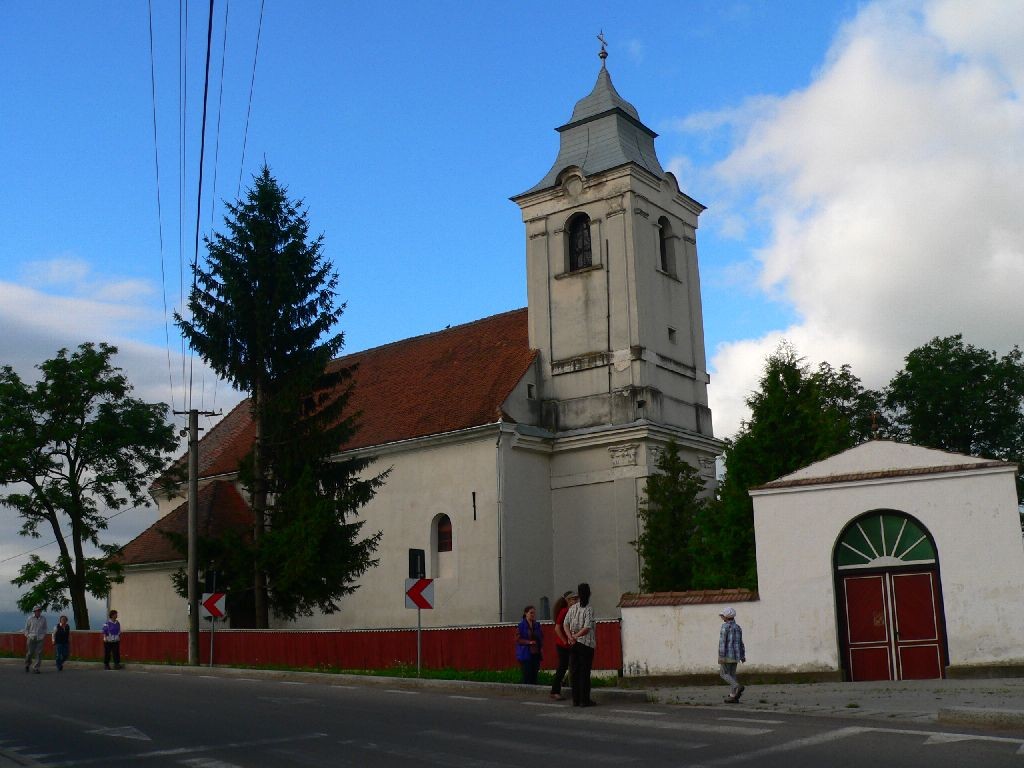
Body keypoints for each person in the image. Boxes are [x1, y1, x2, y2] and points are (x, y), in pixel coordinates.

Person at [564, 582, 596, 707]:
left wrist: (570, 637)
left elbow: (565, 624)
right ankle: (584, 700)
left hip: (573, 644)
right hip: (586, 644)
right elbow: (587, 627)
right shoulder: (589, 608)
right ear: (589, 594)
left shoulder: (573, 608)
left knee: (574, 671)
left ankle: (575, 699)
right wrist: (577, 636)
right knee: (584, 672)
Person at [549, 591, 576, 700]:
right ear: (568, 600)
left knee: (572, 666)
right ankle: (554, 691)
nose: (576, 601)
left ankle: (572, 687)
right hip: (563, 645)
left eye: (576, 599)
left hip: (570, 644)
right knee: (562, 667)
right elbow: (557, 628)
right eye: (574, 599)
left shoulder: (572, 611)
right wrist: (565, 641)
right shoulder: (564, 611)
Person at [718, 606, 746, 703]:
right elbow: (741, 643)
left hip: (726, 655)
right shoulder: (738, 627)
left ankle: (737, 686)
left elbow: (722, 643)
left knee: (723, 674)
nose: (721, 617)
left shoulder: (724, 627)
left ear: (726, 617)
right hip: (736, 656)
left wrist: (721, 656)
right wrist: (742, 656)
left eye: (722, 615)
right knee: (732, 675)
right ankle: (733, 696)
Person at [515, 605, 543, 684]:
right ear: (526, 613)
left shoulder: (537, 625)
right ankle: (526, 691)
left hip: (536, 652)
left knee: (535, 674)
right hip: (525, 653)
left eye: (534, 613)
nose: (533, 615)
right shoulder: (521, 626)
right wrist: (528, 642)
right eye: (531, 613)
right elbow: (518, 639)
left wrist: (540, 646)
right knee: (527, 674)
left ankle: (534, 691)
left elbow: (541, 637)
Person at [24, 606, 48, 674]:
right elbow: (26, 628)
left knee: (39, 653)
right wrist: (28, 635)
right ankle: (27, 664)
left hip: (40, 638)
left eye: (39, 610)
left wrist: (43, 635)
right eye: (37, 610)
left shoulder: (43, 618)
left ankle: (36, 668)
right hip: (31, 637)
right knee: (30, 653)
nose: (38, 612)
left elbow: (45, 628)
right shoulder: (30, 618)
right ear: (34, 611)